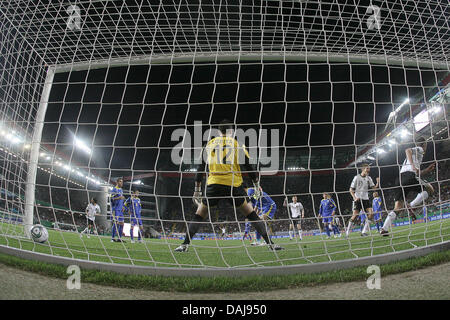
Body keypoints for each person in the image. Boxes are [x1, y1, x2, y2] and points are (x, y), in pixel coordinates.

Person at [174, 119, 284, 252]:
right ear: (231, 132)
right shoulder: (238, 145)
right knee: (252, 215)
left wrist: (197, 190)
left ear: (219, 132)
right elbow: (249, 168)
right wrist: (256, 185)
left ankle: (184, 245)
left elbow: (200, 169)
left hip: (213, 184)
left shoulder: (209, 144)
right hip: (233, 185)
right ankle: (270, 244)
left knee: (199, 215)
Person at [380, 137, 435, 236]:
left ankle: (384, 228)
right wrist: (413, 166)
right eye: (426, 145)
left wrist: (426, 170)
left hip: (400, 179)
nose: (426, 147)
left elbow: (417, 174)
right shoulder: (420, 149)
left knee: (398, 207)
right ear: (424, 145)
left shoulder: (416, 157)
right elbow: (407, 150)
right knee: (430, 189)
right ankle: (412, 205)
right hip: (409, 176)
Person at [346, 164, 380, 237]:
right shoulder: (356, 177)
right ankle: (347, 233)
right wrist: (355, 198)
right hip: (358, 199)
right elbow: (351, 189)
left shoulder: (369, 178)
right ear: (363, 169)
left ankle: (364, 231)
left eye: (369, 169)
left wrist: (377, 182)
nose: (369, 170)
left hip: (366, 199)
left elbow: (374, 188)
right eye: (367, 168)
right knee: (355, 216)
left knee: (371, 213)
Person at [110, 178, 126, 242]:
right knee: (115, 223)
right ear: (117, 182)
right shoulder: (114, 189)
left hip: (120, 209)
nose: (121, 183)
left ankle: (119, 238)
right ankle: (112, 238)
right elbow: (111, 199)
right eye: (120, 181)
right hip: (115, 209)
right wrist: (119, 197)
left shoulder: (121, 190)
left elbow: (121, 199)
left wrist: (122, 206)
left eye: (122, 182)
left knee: (122, 224)